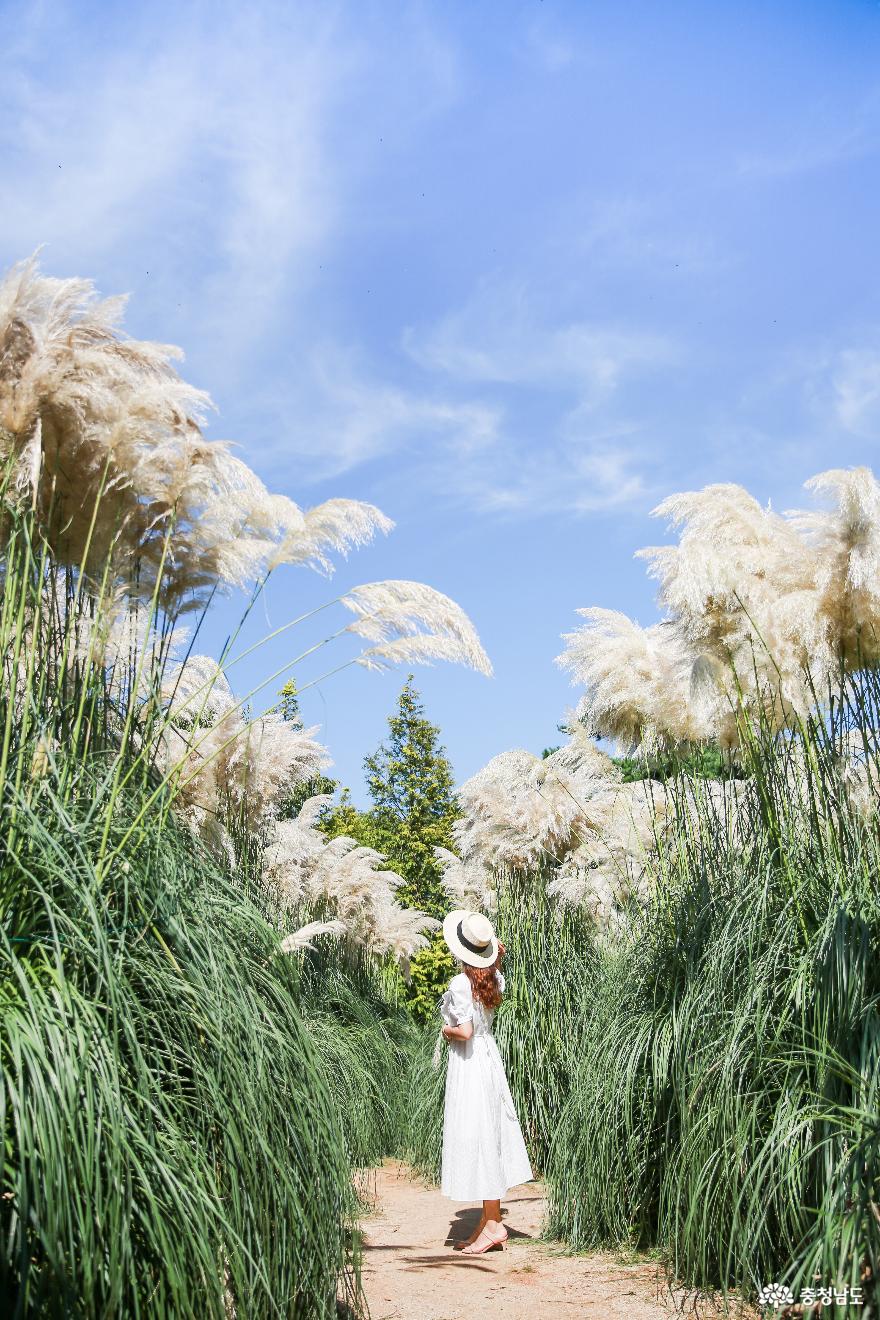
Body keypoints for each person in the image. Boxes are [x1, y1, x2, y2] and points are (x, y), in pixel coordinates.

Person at [438, 908, 534, 1255]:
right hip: (488, 1059)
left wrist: (446, 1030)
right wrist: (495, 961)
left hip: (470, 1062)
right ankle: (488, 1220)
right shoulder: (495, 979)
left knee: (477, 1134)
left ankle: (494, 1226)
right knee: (486, 1132)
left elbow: (464, 1031)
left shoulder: (461, 983)